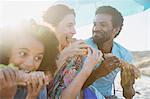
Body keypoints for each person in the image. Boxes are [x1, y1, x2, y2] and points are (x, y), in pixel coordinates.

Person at [43, 4, 119, 99]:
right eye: (69, 25)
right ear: (51, 26)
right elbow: (44, 85)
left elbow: (80, 87)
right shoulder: (40, 53)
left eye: (74, 25)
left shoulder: (74, 54)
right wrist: (86, 68)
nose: (74, 31)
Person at [84, 6, 140, 98]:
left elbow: (128, 96)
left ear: (116, 30)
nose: (95, 28)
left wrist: (127, 86)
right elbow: (71, 87)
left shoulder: (124, 55)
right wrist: (97, 73)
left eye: (102, 25)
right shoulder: (83, 48)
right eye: (95, 24)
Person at [0, 21, 59, 99]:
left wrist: (31, 97)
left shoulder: (39, 87)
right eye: (23, 53)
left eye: (38, 58)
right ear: (8, 51)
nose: (30, 64)